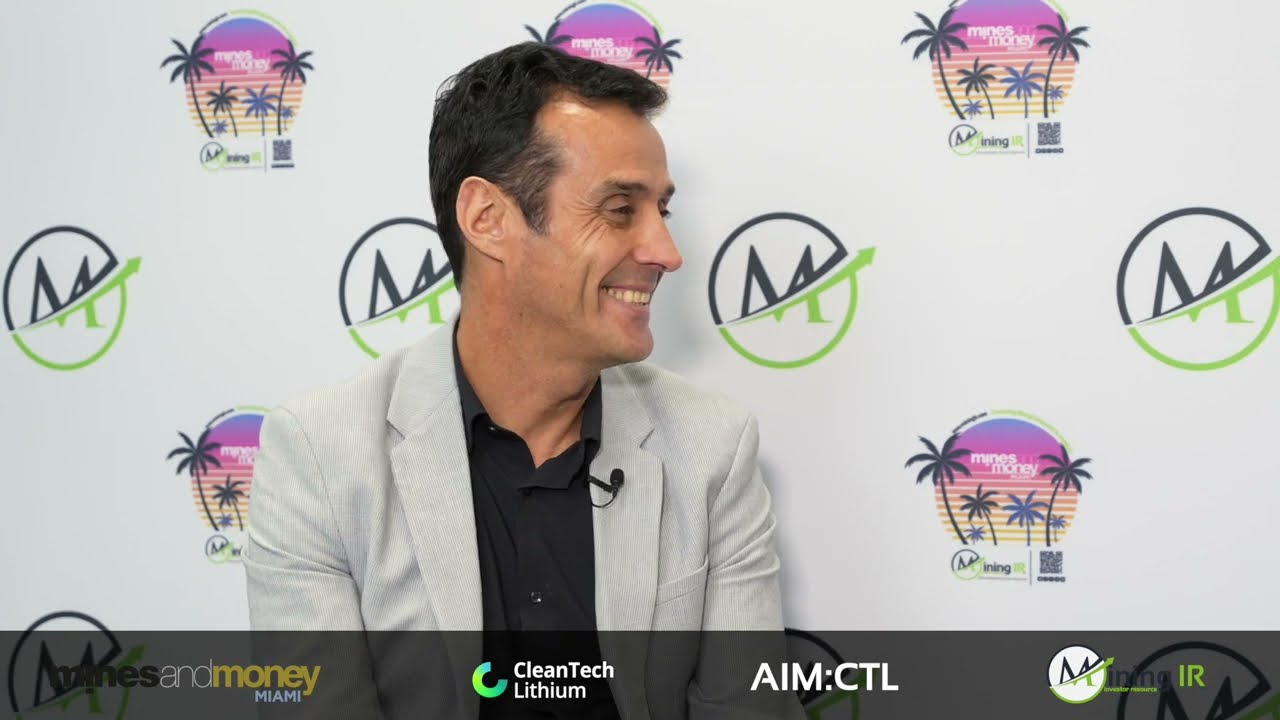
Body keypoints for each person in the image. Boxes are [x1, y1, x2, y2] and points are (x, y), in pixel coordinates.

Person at [244, 42, 801, 719]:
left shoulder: (713, 447)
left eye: (663, 211)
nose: (666, 251)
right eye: (619, 209)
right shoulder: (319, 458)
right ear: (488, 219)